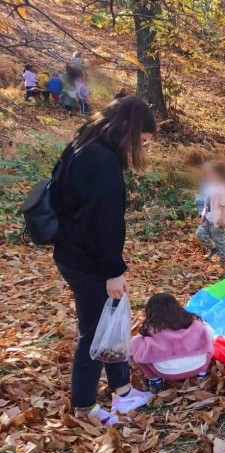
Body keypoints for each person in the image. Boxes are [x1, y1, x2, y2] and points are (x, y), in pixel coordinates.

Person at [51, 96, 157, 426]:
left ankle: (123, 391)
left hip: (74, 252)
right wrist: (112, 271)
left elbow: (61, 198)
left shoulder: (83, 145)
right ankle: (84, 405)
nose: (140, 148)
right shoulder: (102, 161)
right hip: (89, 261)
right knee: (95, 331)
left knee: (113, 321)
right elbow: (104, 221)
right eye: (141, 141)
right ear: (128, 129)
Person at [130, 293, 214, 391]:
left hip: (166, 372)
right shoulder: (193, 323)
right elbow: (209, 335)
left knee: (135, 343)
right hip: (199, 366)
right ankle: (202, 373)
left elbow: (137, 344)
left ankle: (154, 379)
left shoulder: (151, 328)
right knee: (207, 335)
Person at [195, 161, 225, 263]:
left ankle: (223, 259)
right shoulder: (209, 187)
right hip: (208, 218)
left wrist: (222, 218)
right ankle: (213, 249)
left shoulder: (223, 188)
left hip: (217, 220)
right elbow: (206, 203)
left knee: (219, 239)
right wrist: (203, 215)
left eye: (211, 174)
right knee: (200, 233)